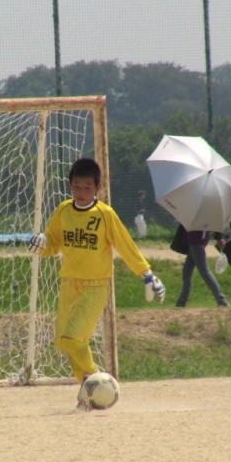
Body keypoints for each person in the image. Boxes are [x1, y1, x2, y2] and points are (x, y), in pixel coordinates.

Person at [28, 158, 165, 410]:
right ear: (70, 186)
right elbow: (53, 244)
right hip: (69, 283)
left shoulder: (105, 215)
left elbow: (125, 245)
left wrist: (147, 274)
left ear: (97, 188)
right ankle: (88, 394)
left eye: (87, 187)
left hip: (95, 286)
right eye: (76, 187)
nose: (81, 192)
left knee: (73, 338)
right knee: (65, 341)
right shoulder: (63, 210)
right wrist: (40, 246)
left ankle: (94, 383)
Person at [175, 229, 229, 308]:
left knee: (205, 271)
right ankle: (181, 303)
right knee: (187, 271)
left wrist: (219, 237)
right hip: (194, 241)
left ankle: (222, 300)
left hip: (196, 241)